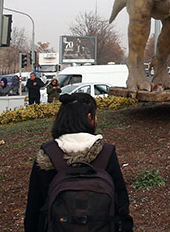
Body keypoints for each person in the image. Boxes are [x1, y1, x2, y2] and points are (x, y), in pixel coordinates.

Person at [25, 92, 133, 232]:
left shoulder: (48, 154)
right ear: (89, 117)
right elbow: (121, 204)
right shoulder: (105, 153)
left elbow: (34, 208)